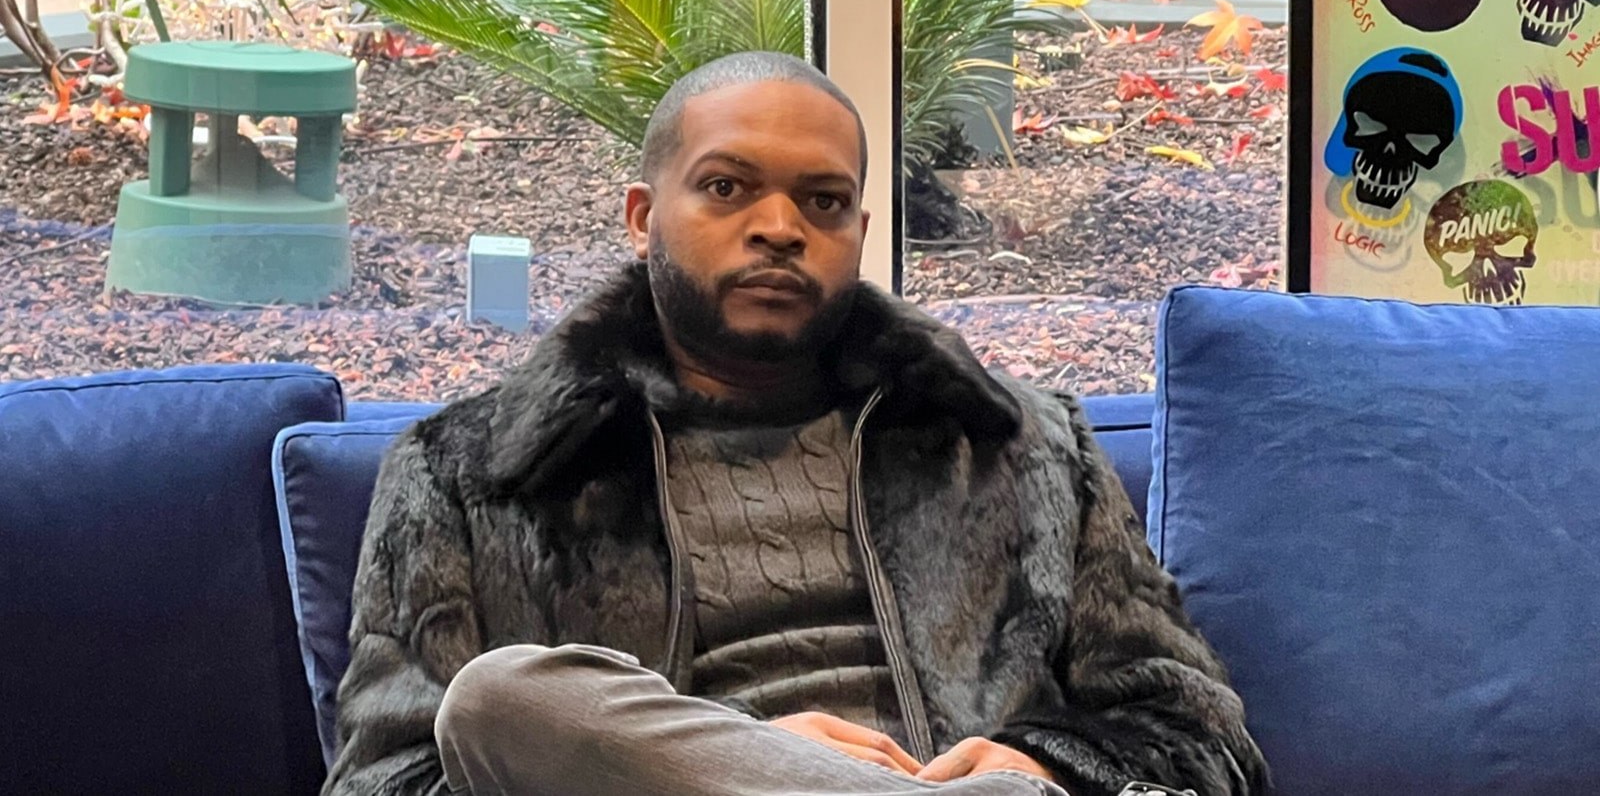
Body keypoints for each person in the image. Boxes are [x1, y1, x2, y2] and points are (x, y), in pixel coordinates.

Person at [324, 51, 1268, 796]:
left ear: (860, 230)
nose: (780, 226)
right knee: (504, 700)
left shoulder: (1025, 447)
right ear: (644, 216)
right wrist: (739, 765)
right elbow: (385, 780)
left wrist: (1046, 766)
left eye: (821, 201)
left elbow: (1198, 733)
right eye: (728, 188)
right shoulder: (471, 473)